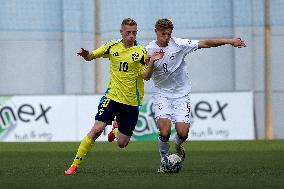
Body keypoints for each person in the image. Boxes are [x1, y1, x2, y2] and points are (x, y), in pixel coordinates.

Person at [144, 18, 246, 172]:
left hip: (181, 95)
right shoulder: (148, 49)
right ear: (156, 32)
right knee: (164, 131)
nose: (166, 37)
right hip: (162, 95)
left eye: (169, 34)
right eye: (163, 34)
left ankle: (178, 145)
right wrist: (151, 61)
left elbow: (205, 43)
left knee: (183, 133)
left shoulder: (178, 44)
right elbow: (146, 76)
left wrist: (230, 41)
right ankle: (164, 160)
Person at [64, 18, 163, 175]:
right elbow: (92, 55)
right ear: (121, 32)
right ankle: (74, 165)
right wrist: (85, 54)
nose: (132, 35)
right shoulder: (112, 46)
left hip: (131, 102)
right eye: (128, 32)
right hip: (112, 97)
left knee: (122, 143)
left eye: (134, 33)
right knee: (97, 128)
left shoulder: (140, 52)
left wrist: (151, 63)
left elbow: (146, 76)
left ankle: (116, 129)